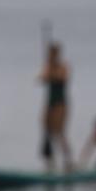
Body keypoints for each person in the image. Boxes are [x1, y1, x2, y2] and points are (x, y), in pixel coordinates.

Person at [39, 42, 72, 171]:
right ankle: (50, 162)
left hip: (60, 103)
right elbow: (41, 78)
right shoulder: (48, 67)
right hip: (49, 102)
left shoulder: (63, 66)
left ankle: (67, 161)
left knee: (59, 132)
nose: (51, 56)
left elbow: (62, 77)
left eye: (53, 54)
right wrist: (46, 74)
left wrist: (50, 73)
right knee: (46, 130)